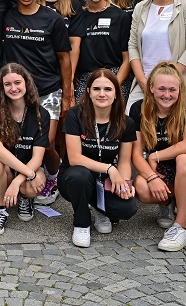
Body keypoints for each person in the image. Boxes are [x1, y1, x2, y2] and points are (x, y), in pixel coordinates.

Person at [2, 0, 72, 205]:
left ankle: (52, 176)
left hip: (48, 90)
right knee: (17, 142)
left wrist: (67, 95)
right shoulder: (7, 15)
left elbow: (64, 57)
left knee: (48, 142)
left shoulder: (51, 18)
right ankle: (22, 181)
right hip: (15, 94)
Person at [130, 62, 186, 252]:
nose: (167, 95)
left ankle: (181, 227)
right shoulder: (138, 109)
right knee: (141, 187)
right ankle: (167, 203)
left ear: (180, 89)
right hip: (162, 171)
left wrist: (155, 156)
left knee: (184, 159)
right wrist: (152, 177)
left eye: (172, 90)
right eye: (161, 89)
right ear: (150, 87)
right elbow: (135, 153)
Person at [61, 69, 137, 247]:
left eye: (108, 89)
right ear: (88, 92)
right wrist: (110, 168)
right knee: (79, 175)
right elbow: (74, 158)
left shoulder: (126, 122)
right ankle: (81, 222)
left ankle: (99, 208)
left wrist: (125, 184)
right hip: (74, 178)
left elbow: (125, 161)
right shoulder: (75, 115)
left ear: (116, 93)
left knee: (127, 209)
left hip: (105, 181)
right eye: (96, 89)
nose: (102, 94)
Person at [0, 64, 49, 234]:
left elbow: (38, 158)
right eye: (7, 84)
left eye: (17, 82)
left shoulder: (41, 114)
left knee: (31, 187)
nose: (13, 88)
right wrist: (24, 176)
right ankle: (1, 210)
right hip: (5, 168)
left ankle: (24, 198)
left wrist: (18, 181)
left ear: (26, 83)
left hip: (29, 166)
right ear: (2, 87)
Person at [69, 0, 131, 102]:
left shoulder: (120, 16)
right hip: (86, 79)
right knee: (83, 120)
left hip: (115, 77)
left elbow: (127, 59)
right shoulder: (77, 16)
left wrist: (113, 84)